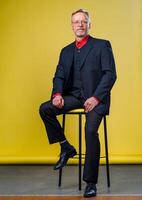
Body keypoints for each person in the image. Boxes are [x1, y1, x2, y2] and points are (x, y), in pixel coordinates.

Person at [39, 9, 117, 198]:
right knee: (45, 108)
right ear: (72, 26)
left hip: (95, 98)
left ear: (89, 25)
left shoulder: (102, 45)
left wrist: (96, 98)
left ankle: (91, 182)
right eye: (76, 22)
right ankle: (66, 146)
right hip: (74, 96)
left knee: (90, 131)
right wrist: (57, 94)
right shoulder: (65, 51)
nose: (80, 25)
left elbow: (110, 75)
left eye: (84, 21)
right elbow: (59, 75)